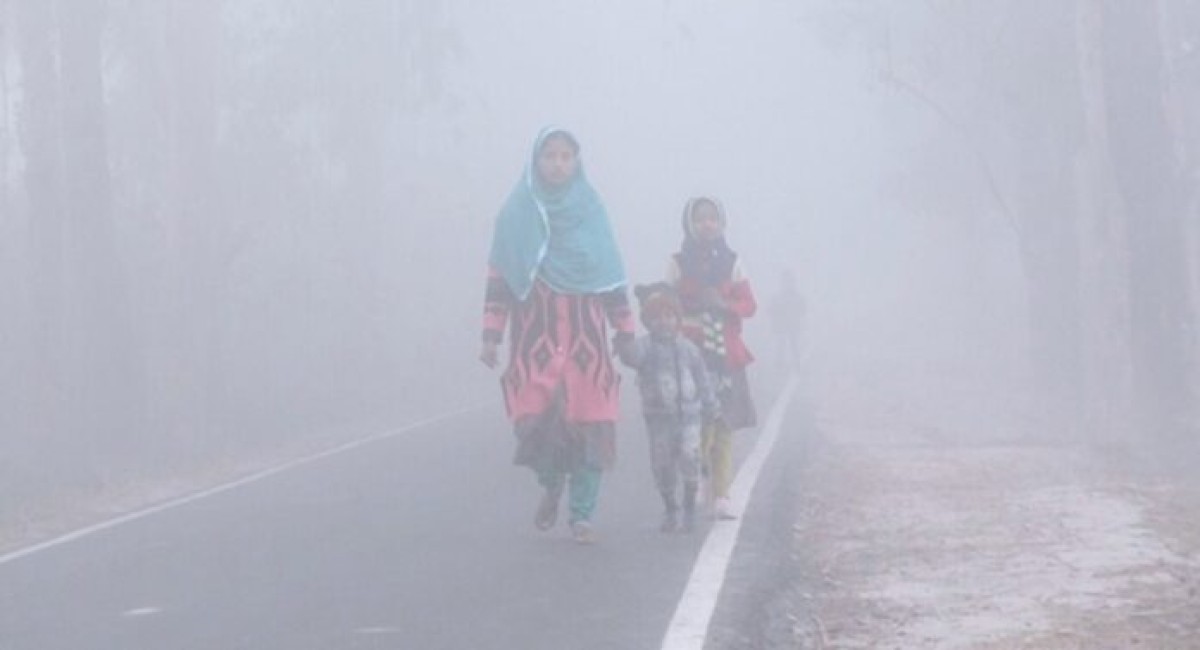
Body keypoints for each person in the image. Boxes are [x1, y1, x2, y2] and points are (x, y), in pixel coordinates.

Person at [480, 127, 634, 545]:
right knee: (531, 426)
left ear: (577, 162)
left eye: (567, 156)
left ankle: (582, 516)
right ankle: (551, 483)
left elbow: (611, 275)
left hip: (589, 351)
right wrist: (491, 335)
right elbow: (501, 278)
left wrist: (625, 331)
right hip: (536, 349)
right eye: (550, 155)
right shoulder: (516, 213)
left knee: (591, 430)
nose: (558, 163)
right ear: (536, 160)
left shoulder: (590, 210)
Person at [667, 196, 757, 520]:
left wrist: (725, 305)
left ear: (721, 223)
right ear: (689, 224)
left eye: (712, 218)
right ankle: (698, 476)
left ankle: (721, 493)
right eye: (700, 218)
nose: (707, 224)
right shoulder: (677, 263)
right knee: (697, 425)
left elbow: (749, 305)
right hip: (692, 356)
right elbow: (665, 304)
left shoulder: (733, 262)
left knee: (723, 425)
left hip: (726, 357)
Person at [618, 283, 721, 534]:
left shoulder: (688, 349)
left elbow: (702, 378)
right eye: (656, 318)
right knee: (662, 465)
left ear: (677, 318)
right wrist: (624, 336)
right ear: (647, 321)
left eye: (668, 316)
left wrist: (710, 405)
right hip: (658, 419)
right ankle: (671, 507)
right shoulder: (645, 347)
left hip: (689, 417)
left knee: (689, 456)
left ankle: (688, 507)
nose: (663, 322)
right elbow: (629, 357)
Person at [770, 268, 806, 374]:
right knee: (784, 343)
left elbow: (802, 308)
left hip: (790, 323)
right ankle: (786, 364)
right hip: (786, 323)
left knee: (790, 343)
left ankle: (793, 364)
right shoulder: (781, 296)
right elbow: (771, 309)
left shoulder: (792, 296)